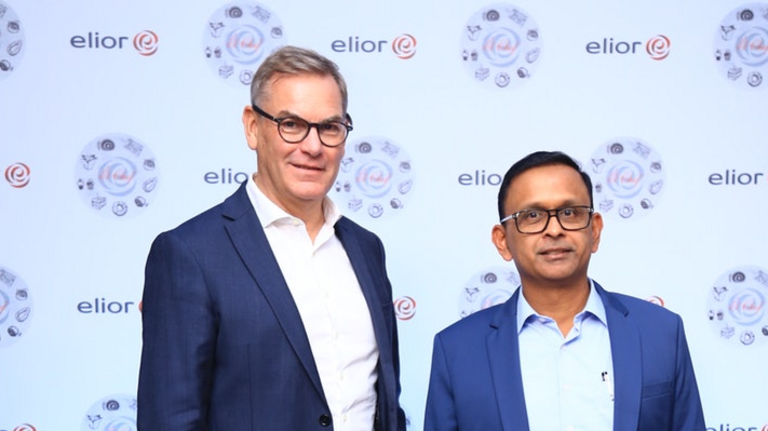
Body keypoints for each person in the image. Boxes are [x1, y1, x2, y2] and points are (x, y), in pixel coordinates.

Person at [137, 46, 406, 431]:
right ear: (252, 127)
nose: (313, 146)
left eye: (329, 127)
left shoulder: (366, 249)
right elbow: (170, 420)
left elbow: (383, 405)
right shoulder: (190, 254)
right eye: (291, 124)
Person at [424, 151, 704, 430]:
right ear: (502, 241)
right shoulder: (457, 350)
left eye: (569, 213)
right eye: (532, 215)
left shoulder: (661, 332)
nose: (554, 229)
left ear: (595, 231)